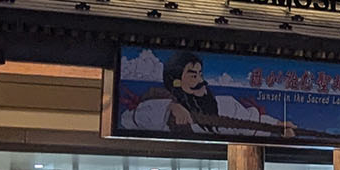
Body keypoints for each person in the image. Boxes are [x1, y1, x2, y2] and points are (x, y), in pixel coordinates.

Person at [122, 52, 292, 136]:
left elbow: (250, 121)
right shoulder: (156, 110)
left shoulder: (224, 104)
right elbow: (129, 119)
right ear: (176, 81)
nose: (200, 81)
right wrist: (172, 107)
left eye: (200, 74)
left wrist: (278, 126)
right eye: (193, 75)